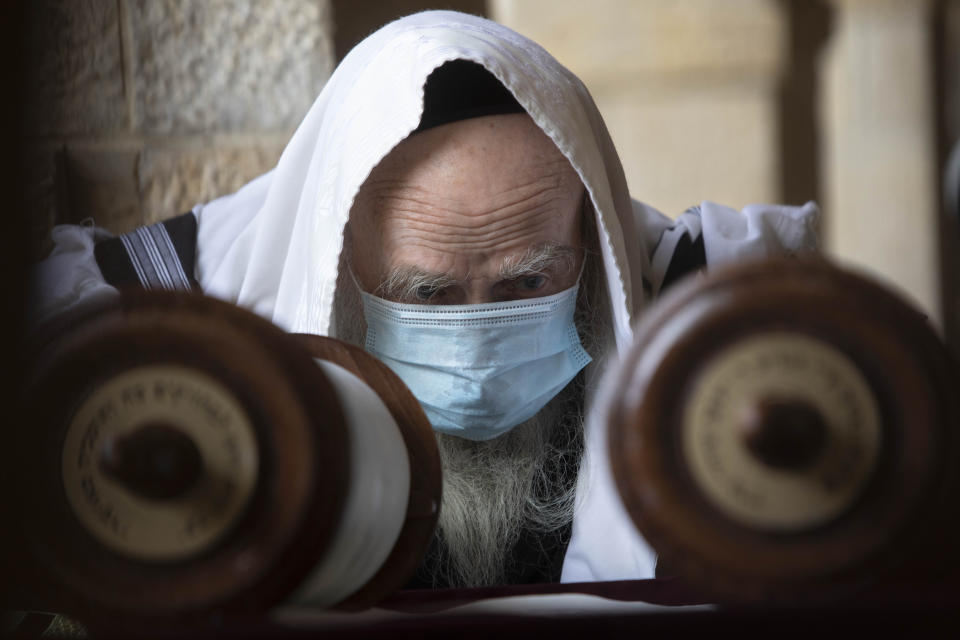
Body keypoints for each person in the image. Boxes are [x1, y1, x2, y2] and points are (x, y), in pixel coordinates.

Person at [30, 11, 818, 589]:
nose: (477, 337)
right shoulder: (142, 322)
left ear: (591, 231)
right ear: (338, 250)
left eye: (528, 282)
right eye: (430, 292)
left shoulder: (706, 305)